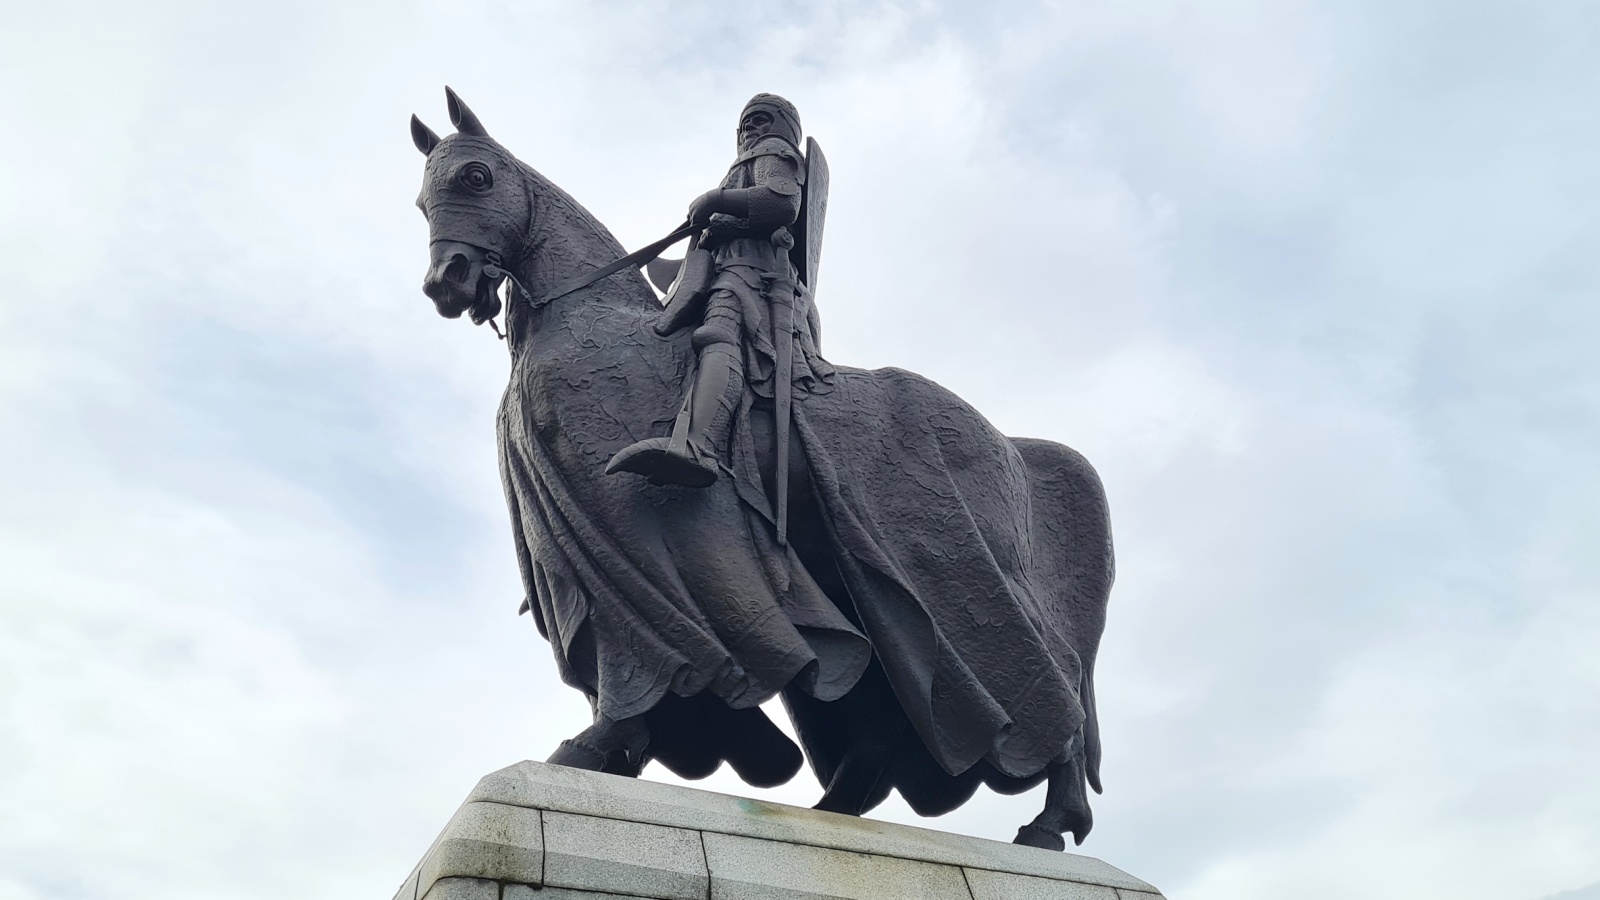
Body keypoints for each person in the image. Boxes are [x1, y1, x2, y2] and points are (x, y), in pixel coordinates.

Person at [606, 93, 830, 488]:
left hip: (753, 275)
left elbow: (781, 204)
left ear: (781, 127)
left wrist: (714, 200)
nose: (751, 129)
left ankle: (698, 446)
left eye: (761, 120)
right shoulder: (744, 162)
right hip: (728, 267)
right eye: (746, 123)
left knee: (719, 335)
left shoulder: (774, 151)